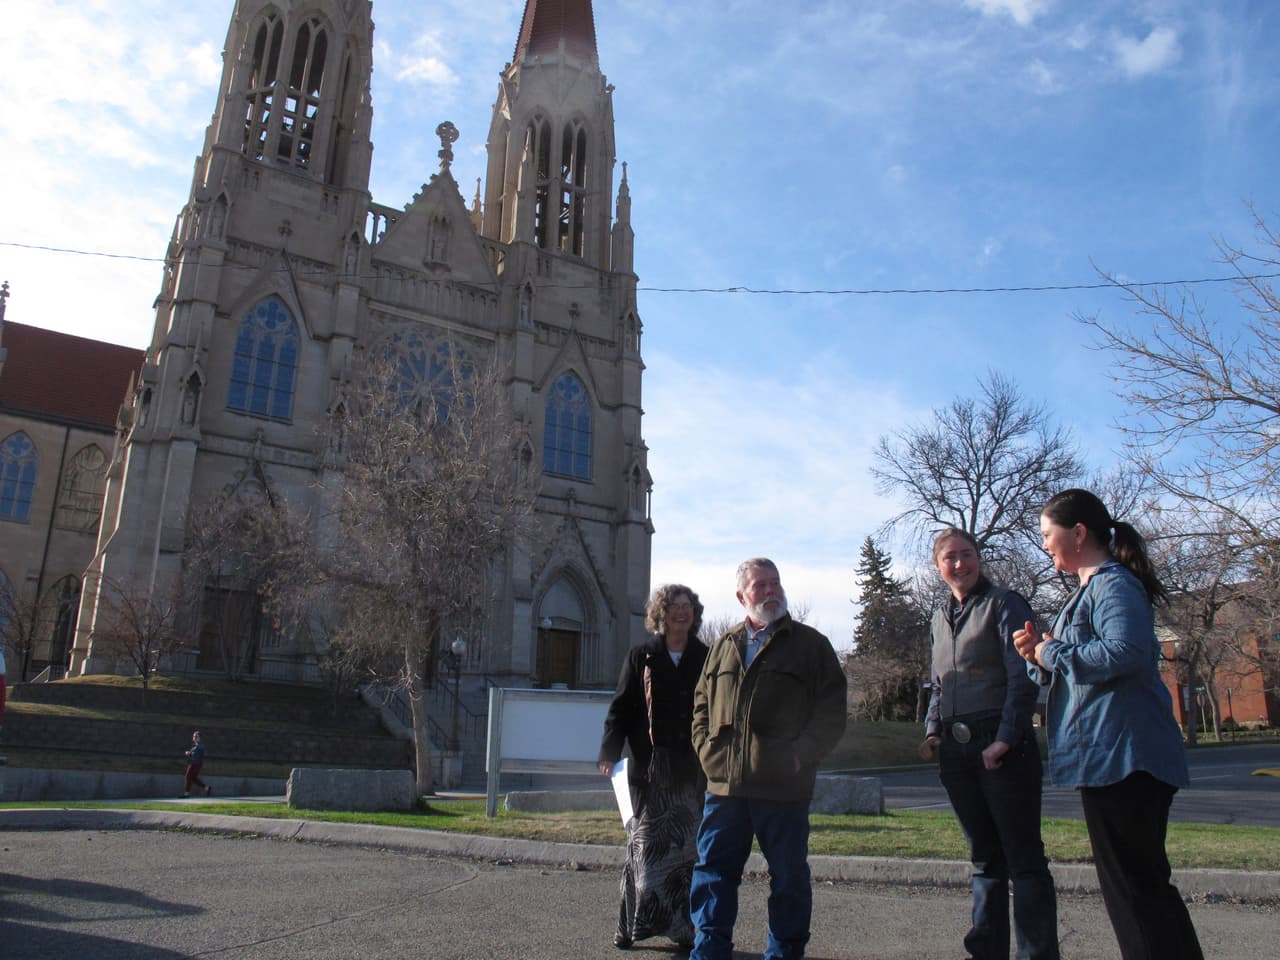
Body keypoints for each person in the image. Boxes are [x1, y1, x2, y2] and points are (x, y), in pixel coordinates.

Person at [1013, 489, 1204, 960]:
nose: (1044, 546)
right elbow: (1079, 666)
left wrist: (1051, 651)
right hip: (1108, 760)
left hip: (1126, 760)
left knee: (1136, 895)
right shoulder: (1085, 592)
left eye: (1046, 535)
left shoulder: (1113, 584)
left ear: (1078, 533)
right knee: (1144, 889)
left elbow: (1127, 652)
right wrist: (1036, 656)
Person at [688, 558, 847, 960]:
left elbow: (831, 712)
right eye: (760, 585)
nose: (771, 591)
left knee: (789, 880)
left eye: (775, 583)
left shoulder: (811, 646)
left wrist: (800, 755)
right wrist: (708, 753)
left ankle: (785, 953)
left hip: (783, 787)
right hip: (725, 787)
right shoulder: (723, 646)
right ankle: (708, 952)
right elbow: (701, 706)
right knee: (713, 876)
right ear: (742, 596)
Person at [921, 528, 1059, 960]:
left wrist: (1004, 740)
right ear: (937, 566)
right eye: (950, 558)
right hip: (956, 750)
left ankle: (1037, 954)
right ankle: (987, 951)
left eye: (967, 555)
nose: (959, 564)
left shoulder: (1005, 603)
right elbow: (939, 683)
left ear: (978, 557)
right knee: (983, 859)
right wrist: (931, 731)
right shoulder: (938, 618)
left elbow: (1022, 681)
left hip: (1001, 748)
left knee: (1024, 861)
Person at [598, 583, 710, 951]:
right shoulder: (641, 656)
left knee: (685, 857)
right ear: (660, 614)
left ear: (694, 614)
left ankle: (683, 930)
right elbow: (621, 708)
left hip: (689, 772)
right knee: (642, 855)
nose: (681, 612)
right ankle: (628, 927)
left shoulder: (706, 656)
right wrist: (609, 752)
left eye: (687, 606)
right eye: (674, 606)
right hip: (649, 772)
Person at [184, 731, 211, 797]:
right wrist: (190, 753)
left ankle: (187, 793)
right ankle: (206, 788)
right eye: (194, 736)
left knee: (188, 777)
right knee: (193, 778)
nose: (195, 737)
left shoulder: (200, 746)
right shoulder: (195, 746)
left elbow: (196, 754)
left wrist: (189, 753)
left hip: (195, 764)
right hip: (197, 764)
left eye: (196, 736)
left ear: (200, 738)